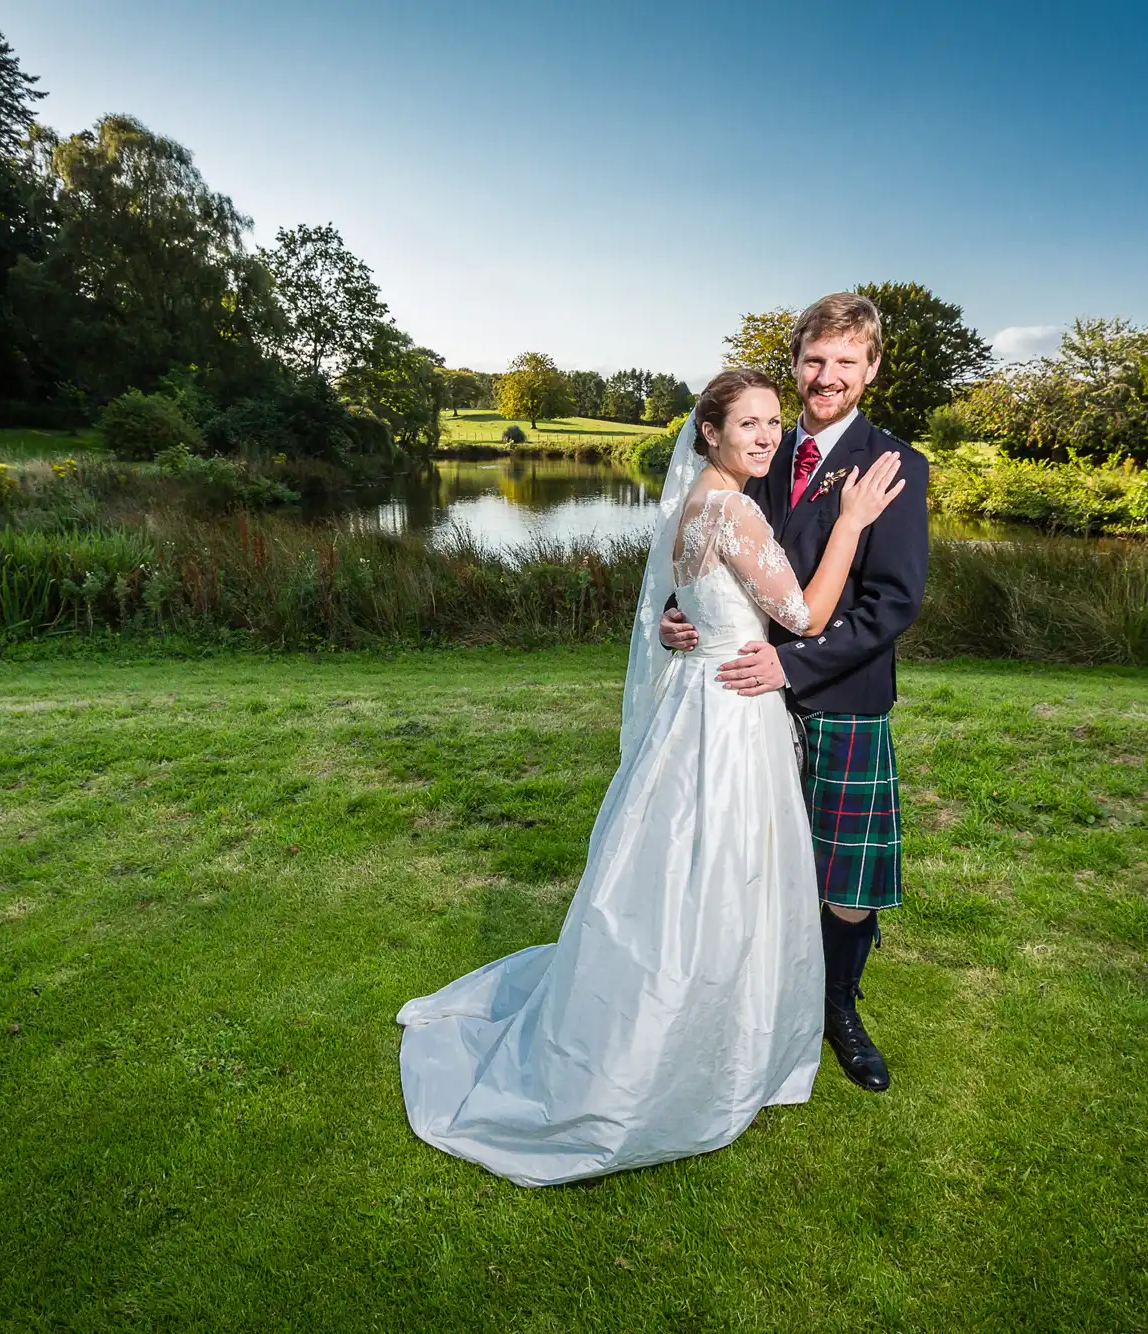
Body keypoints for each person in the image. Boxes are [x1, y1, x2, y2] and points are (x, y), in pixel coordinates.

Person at [395, 368, 907, 1187]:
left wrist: (683, 628)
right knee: (725, 872)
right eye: (751, 423)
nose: (769, 435)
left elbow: (693, 609)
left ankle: (718, 1021)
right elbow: (804, 617)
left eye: (775, 422)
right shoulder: (732, 507)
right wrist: (848, 523)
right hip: (732, 717)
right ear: (710, 433)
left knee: (690, 871)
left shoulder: (692, 506)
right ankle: (693, 1046)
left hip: (701, 704)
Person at [660, 293, 931, 1094]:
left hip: (841, 697)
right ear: (797, 362)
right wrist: (685, 614)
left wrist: (796, 666)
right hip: (746, 705)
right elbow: (722, 558)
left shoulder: (895, 466)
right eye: (816, 359)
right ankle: (751, 996)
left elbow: (893, 601)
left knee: (846, 880)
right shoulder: (762, 448)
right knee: (750, 863)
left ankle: (838, 1009)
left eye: (847, 362)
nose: (827, 377)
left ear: (872, 369)